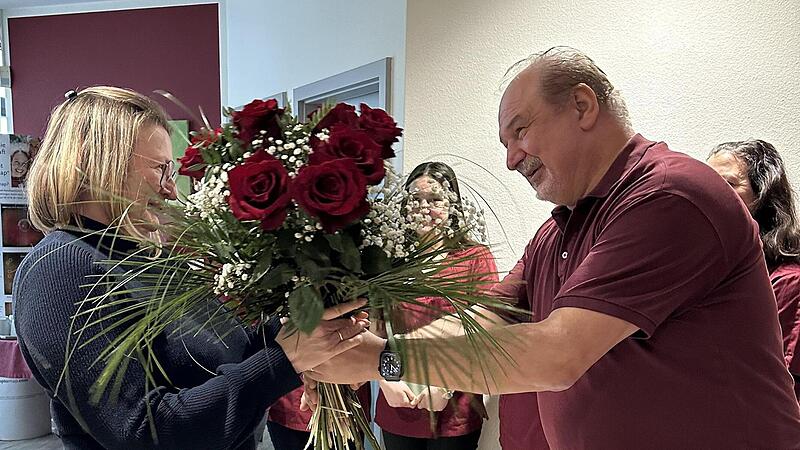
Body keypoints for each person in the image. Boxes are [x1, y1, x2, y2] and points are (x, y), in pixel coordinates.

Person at [301, 47, 800, 449]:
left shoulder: (669, 194)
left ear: (582, 105)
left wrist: (381, 360)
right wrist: (349, 346)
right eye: (504, 144)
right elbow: (487, 317)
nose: (512, 159)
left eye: (520, 131)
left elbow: (557, 353)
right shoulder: (559, 228)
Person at [12, 86, 368, 450]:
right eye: (160, 169)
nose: (170, 190)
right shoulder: (59, 268)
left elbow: (228, 353)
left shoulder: (150, 257)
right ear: (101, 165)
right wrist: (285, 360)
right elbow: (144, 433)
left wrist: (310, 325)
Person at [375, 161, 496, 450]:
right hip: (399, 400)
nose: (424, 208)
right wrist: (385, 380)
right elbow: (377, 328)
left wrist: (445, 385)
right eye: (415, 199)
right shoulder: (389, 261)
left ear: (452, 203)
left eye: (435, 199)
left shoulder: (474, 258)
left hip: (454, 406)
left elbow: (487, 329)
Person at [708, 139, 800, 399]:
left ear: (763, 196)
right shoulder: (709, 274)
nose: (709, 194)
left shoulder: (788, 283)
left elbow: (779, 389)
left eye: (728, 185)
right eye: (706, 184)